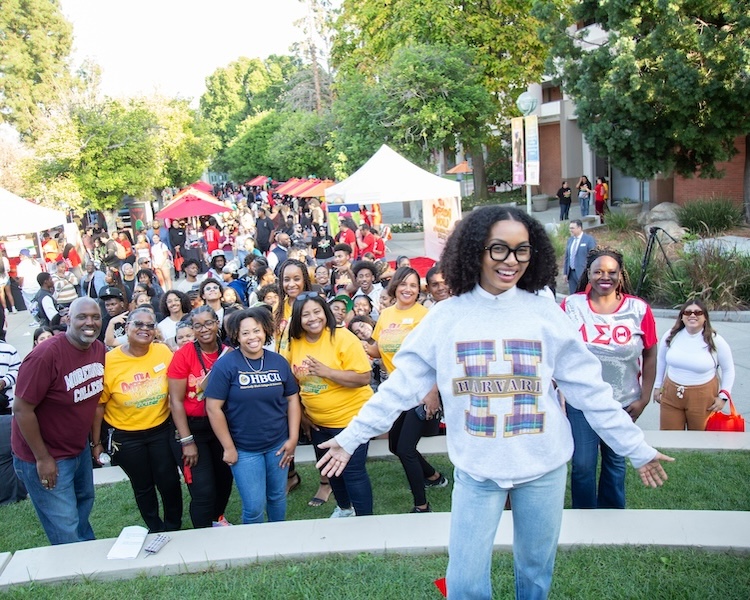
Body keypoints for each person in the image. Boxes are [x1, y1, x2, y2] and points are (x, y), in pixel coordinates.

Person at [316, 206, 672, 599]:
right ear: (474, 250)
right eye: (499, 249)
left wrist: (635, 447)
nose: (512, 261)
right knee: (465, 582)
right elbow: (399, 389)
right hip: (477, 472)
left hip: (543, 468)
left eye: (522, 250)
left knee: (536, 572)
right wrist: (352, 437)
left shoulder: (545, 314)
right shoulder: (446, 318)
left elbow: (591, 391)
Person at [561, 246, 657, 510]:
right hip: (582, 403)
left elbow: (650, 354)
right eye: (599, 271)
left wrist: (645, 397)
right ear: (588, 274)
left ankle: (613, 514)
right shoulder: (571, 306)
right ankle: (585, 514)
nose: (606, 276)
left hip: (623, 402)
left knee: (615, 461)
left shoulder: (638, 309)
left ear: (620, 274)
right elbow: (558, 351)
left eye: (612, 272)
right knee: (582, 463)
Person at [11, 297, 106, 544]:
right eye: (82, 317)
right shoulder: (44, 356)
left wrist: (92, 443)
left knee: (83, 504)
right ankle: (77, 571)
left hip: (77, 449)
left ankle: (86, 553)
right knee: (64, 523)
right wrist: (43, 459)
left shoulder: (97, 349)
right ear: (67, 320)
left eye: (95, 317)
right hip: (45, 455)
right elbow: (21, 409)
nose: (90, 323)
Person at [280, 292, 374, 518]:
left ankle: (366, 521)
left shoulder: (343, 338)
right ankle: (344, 509)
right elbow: (290, 379)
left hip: (350, 419)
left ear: (326, 313)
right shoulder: (295, 341)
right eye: (305, 314)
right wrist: (302, 414)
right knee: (329, 469)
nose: (312, 318)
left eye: (317, 311)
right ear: (297, 319)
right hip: (318, 422)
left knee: (352, 472)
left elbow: (364, 377)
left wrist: (327, 372)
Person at [205, 307, 301, 524]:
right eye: (245, 333)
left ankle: (277, 538)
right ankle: (254, 548)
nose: (252, 337)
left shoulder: (278, 362)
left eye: (256, 331)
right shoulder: (226, 366)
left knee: (277, 496)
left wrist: (293, 438)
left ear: (265, 331)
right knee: (254, 506)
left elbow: (292, 399)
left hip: (278, 445)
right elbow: (213, 408)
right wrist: (228, 447)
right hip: (244, 449)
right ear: (236, 336)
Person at [93, 306, 182, 533]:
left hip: (161, 430)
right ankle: (155, 526)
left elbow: (175, 389)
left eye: (150, 325)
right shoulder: (109, 361)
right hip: (125, 436)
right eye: (138, 324)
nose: (145, 329)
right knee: (143, 485)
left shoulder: (163, 352)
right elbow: (99, 406)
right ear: (127, 327)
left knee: (169, 481)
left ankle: (173, 525)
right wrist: (97, 442)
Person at [370, 267, 445, 512]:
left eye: (413, 285)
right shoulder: (386, 314)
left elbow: (436, 358)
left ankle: (421, 506)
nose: (408, 289)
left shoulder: (425, 315)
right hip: (397, 389)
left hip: (420, 390)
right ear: (395, 286)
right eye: (403, 284)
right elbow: (377, 349)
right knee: (395, 446)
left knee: (405, 448)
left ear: (419, 289)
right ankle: (434, 476)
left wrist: (433, 393)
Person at [167, 306, 233, 528]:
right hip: (191, 430)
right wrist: (187, 441)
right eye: (198, 325)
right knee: (203, 489)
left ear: (217, 322)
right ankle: (202, 537)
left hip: (220, 428)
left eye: (208, 323)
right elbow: (175, 401)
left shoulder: (229, 353)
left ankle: (216, 520)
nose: (204, 329)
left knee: (224, 482)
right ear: (192, 329)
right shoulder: (183, 355)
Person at [654, 300, 735, 430]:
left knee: (699, 440)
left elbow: (728, 369)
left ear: (705, 318)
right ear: (681, 316)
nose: (692, 315)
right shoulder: (671, 336)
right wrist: (658, 386)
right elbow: (661, 360)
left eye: (698, 312)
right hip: (671, 394)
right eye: (687, 312)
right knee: (669, 438)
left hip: (703, 398)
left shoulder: (716, 341)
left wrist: (723, 397)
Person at [0, 314, 24, 506]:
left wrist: (3, 382)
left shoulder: (7, 350)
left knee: (7, 453)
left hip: (5, 410)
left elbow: (17, 371)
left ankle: (12, 492)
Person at [563, 220, 596, 294]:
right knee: (573, 295)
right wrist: (565, 273)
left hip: (583, 273)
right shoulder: (570, 240)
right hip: (571, 273)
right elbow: (567, 257)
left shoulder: (589, 240)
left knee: (584, 294)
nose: (570, 230)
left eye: (572, 228)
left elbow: (594, 257)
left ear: (579, 228)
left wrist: (591, 272)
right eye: (570, 228)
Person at [16, 249, 42, 318]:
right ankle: (41, 318)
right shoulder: (36, 263)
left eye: (20, 255)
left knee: (30, 305)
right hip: (37, 286)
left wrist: (20, 286)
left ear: (23, 255)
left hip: (27, 287)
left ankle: (36, 319)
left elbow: (21, 278)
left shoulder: (21, 265)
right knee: (38, 304)